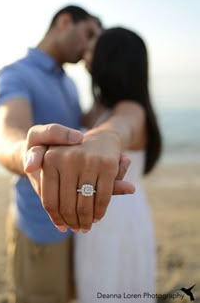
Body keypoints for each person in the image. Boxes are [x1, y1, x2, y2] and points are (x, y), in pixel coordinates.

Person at [0, 6, 140, 303]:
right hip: (41, 227)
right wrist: (29, 154)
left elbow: (84, 129)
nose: (90, 46)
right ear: (64, 22)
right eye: (88, 34)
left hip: (82, 227)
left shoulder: (69, 83)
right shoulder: (17, 74)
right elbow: (8, 134)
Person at [74, 27, 162, 303]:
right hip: (103, 218)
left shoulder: (131, 110)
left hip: (119, 223)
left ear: (109, 59)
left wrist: (104, 138)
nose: (86, 53)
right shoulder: (102, 107)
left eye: (94, 48)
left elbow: (120, 127)